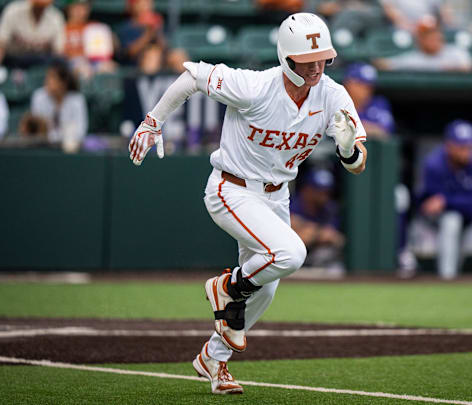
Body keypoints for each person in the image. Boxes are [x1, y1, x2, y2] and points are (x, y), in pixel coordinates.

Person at [127, 12, 367, 394]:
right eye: (308, 60)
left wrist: (347, 149)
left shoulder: (333, 94)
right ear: (287, 58)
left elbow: (358, 164)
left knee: (267, 287)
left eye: (323, 58)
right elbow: (192, 77)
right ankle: (227, 287)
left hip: (276, 196)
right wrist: (153, 121)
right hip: (231, 189)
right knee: (290, 253)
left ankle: (213, 357)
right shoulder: (255, 86)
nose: (317, 67)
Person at [418, 120, 472, 279]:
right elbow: (430, 202)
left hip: (467, 215)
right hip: (434, 217)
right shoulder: (434, 164)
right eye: (461, 147)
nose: (466, 152)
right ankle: (446, 278)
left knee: (459, 246)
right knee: (451, 222)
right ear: (449, 145)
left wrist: (447, 201)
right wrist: (457, 203)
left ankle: (451, 278)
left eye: (469, 147)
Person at [290, 169, 345, 272]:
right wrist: (317, 233)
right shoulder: (292, 204)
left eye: (326, 191)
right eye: (318, 191)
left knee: (334, 264)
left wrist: (312, 231)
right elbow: (300, 237)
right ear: (307, 189)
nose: (323, 195)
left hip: (315, 257)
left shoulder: (329, 209)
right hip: (293, 259)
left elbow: (337, 238)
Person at [374, 15, 472, 72]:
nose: (433, 37)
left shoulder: (456, 52)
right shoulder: (413, 59)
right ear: (420, 39)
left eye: (435, 33)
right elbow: (386, 64)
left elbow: (467, 67)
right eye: (427, 35)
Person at [28, 61, 88, 151]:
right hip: (43, 148)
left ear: (63, 83)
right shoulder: (38, 97)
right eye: (47, 77)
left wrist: (62, 138)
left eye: (52, 78)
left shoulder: (77, 100)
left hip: (70, 149)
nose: (47, 81)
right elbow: (37, 130)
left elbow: (80, 131)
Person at [0, 0, 66, 68]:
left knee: (61, 62)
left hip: (41, 64)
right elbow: (0, 46)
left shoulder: (56, 17)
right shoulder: (13, 10)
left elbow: (58, 53)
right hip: (13, 60)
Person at [64, 0, 117, 79]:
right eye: (77, 6)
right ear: (69, 8)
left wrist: (111, 40)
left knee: (110, 67)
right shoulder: (63, 28)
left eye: (84, 7)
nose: (80, 10)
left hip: (95, 61)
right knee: (82, 68)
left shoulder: (96, 26)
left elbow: (111, 48)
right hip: (73, 64)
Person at [342, 62, 395, 139]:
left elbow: (384, 131)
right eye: (361, 84)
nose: (367, 90)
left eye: (369, 86)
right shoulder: (336, 102)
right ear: (349, 83)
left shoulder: (379, 103)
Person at [381, 0, 454, 32]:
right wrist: (409, 27)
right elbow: (390, 10)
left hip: (429, 27)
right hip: (403, 29)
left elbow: (445, 13)